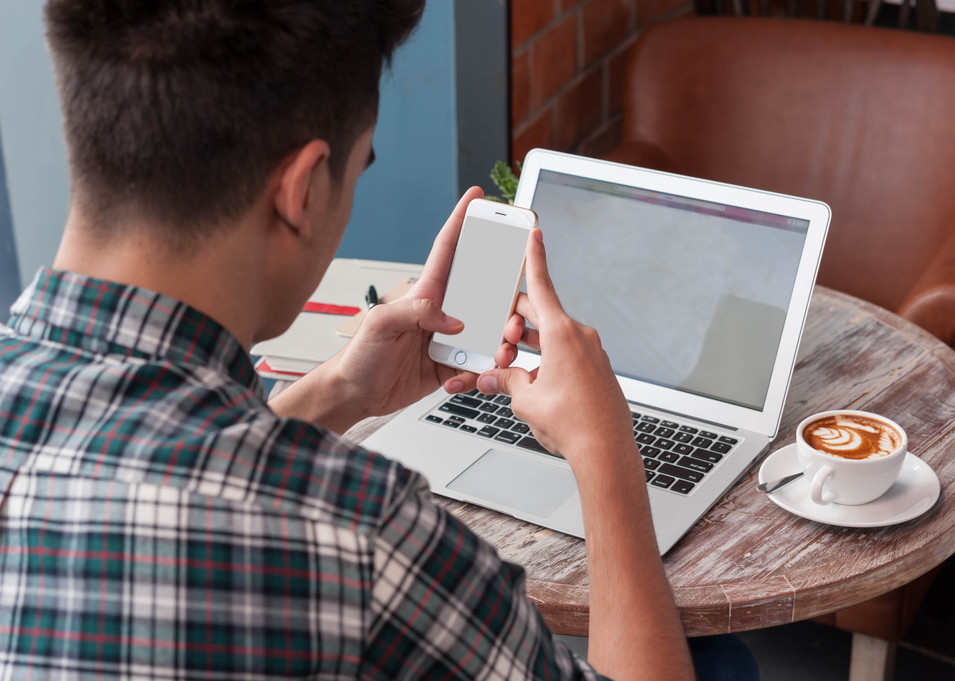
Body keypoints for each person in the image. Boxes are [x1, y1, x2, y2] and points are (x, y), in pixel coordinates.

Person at [0, 1, 758, 679]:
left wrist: (339, 390)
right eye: (360, 170)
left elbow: (140, 458)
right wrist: (604, 451)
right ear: (302, 190)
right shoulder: (359, 531)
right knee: (721, 661)